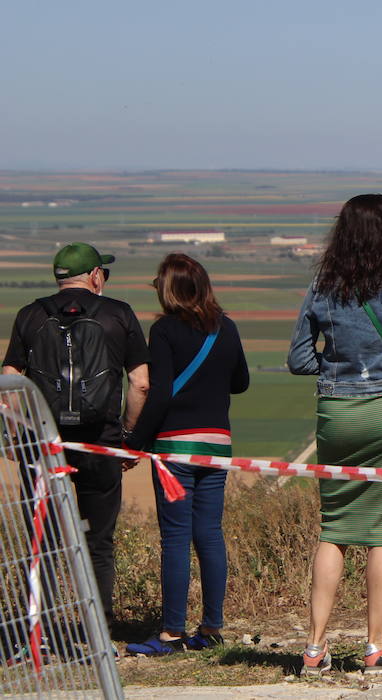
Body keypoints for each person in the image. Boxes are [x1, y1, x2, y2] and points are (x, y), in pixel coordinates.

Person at [288, 194, 382, 675]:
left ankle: (314, 649)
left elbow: (298, 358)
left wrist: (333, 371)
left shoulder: (322, 285)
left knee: (333, 527)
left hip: (337, 413)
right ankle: (375, 644)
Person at [3, 242, 150, 630]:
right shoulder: (119, 314)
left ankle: (39, 632)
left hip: (44, 448)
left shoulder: (30, 315)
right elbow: (140, 383)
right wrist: (128, 437)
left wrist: (18, 435)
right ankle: (98, 627)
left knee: (44, 542)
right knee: (99, 542)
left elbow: (11, 380)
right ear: (96, 276)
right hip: (101, 444)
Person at [125, 254, 250, 655]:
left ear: (168, 288)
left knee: (176, 538)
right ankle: (212, 627)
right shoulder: (226, 328)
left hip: (175, 450)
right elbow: (242, 383)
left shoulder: (163, 330)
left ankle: (171, 633)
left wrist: (134, 443)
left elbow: (157, 393)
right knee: (210, 535)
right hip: (217, 447)